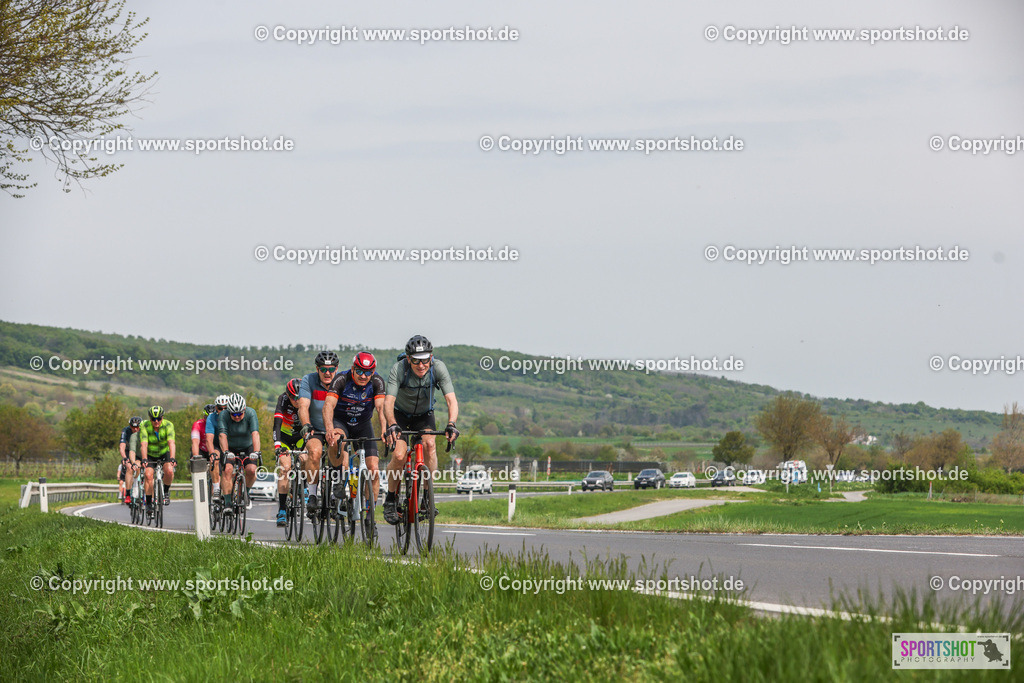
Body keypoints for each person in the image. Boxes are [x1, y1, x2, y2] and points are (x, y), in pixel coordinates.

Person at [382, 335, 459, 524]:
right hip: (399, 415)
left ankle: (426, 496)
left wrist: (451, 424)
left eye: (425, 360)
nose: (421, 365)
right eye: (416, 360)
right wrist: (391, 424)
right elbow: (388, 402)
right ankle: (390, 499)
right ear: (409, 359)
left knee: (430, 445)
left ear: (431, 357)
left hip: (424, 415)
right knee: (399, 455)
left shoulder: (438, 368)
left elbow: (451, 399)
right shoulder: (399, 369)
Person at [322, 352, 386, 517]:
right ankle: (337, 475)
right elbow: (328, 405)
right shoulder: (341, 379)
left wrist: (386, 428)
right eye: (359, 371)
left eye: (368, 372)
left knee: (373, 469)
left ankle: (370, 514)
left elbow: (381, 408)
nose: (363, 376)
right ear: (353, 368)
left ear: (373, 372)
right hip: (341, 422)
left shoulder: (377, 381)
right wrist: (329, 427)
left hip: (363, 424)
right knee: (337, 441)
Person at [296, 351, 341, 515]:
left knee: (338, 448)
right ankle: (313, 495)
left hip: (335, 427)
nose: (327, 373)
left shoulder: (341, 381)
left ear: (337, 369)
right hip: (315, 428)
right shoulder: (309, 380)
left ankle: (338, 492)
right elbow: (303, 406)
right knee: (314, 452)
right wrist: (306, 425)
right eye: (323, 369)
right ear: (317, 369)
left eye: (331, 369)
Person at [216, 392, 261, 511]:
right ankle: (227, 503)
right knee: (228, 470)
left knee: (251, 470)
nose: (236, 417)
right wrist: (225, 451)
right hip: (230, 447)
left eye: (239, 414)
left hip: (247, 447)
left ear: (244, 410)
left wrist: (256, 452)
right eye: (234, 414)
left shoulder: (251, 413)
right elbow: (222, 435)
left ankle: (246, 494)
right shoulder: (223, 415)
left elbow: (255, 434)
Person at [271, 378, 305, 526]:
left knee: (305, 459)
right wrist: (277, 446)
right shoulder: (283, 400)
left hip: (300, 438)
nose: (296, 400)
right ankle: (282, 509)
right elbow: (276, 425)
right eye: (293, 397)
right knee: (285, 467)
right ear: (288, 395)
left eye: (298, 397)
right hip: (285, 438)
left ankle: (305, 489)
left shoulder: (307, 401)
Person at [139, 406, 176, 513]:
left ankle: (166, 491)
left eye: (159, 419)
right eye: (153, 419)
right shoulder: (145, 426)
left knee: (169, 470)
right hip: (150, 454)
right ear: (149, 418)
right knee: (148, 475)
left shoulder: (168, 425)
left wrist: (173, 458)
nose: (156, 421)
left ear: (162, 417)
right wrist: (145, 459)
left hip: (164, 452)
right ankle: (149, 503)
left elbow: (171, 443)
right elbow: (144, 444)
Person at [206, 395, 229, 501]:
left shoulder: (232, 417)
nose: (223, 410)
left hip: (229, 445)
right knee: (214, 459)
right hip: (216, 445)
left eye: (226, 408)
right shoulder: (211, 417)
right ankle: (216, 489)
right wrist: (211, 453)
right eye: (220, 408)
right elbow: (209, 439)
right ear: (216, 408)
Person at [118, 416, 142, 504]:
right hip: (129, 451)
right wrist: (124, 458)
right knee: (129, 467)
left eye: (137, 427)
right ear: (130, 426)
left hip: (139, 452)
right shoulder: (126, 431)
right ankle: (128, 494)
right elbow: (122, 446)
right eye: (133, 427)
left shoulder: (143, 431)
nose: (135, 429)